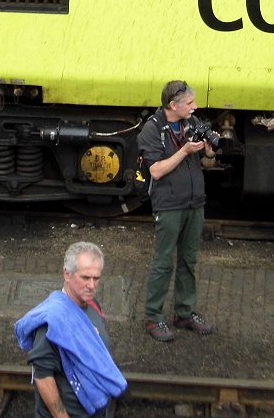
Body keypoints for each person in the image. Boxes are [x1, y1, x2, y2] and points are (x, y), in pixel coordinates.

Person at [138, 80, 215, 342]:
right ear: (174, 105)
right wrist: (184, 150)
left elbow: (205, 163)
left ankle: (184, 313)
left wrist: (210, 152)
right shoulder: (152, 129)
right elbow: (156, 170)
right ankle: (153, 317)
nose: (195, 107)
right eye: (190, 103)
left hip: (194, 203)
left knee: (189, 261)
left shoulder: (191, 124)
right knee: (163, 263)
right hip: (169, 205)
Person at [15, 241, 126, 418]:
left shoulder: (92, 305)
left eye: (96, 278)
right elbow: (42, 376)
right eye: (85, 278)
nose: (92, 285)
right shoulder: (53, 320)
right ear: (67, 274)